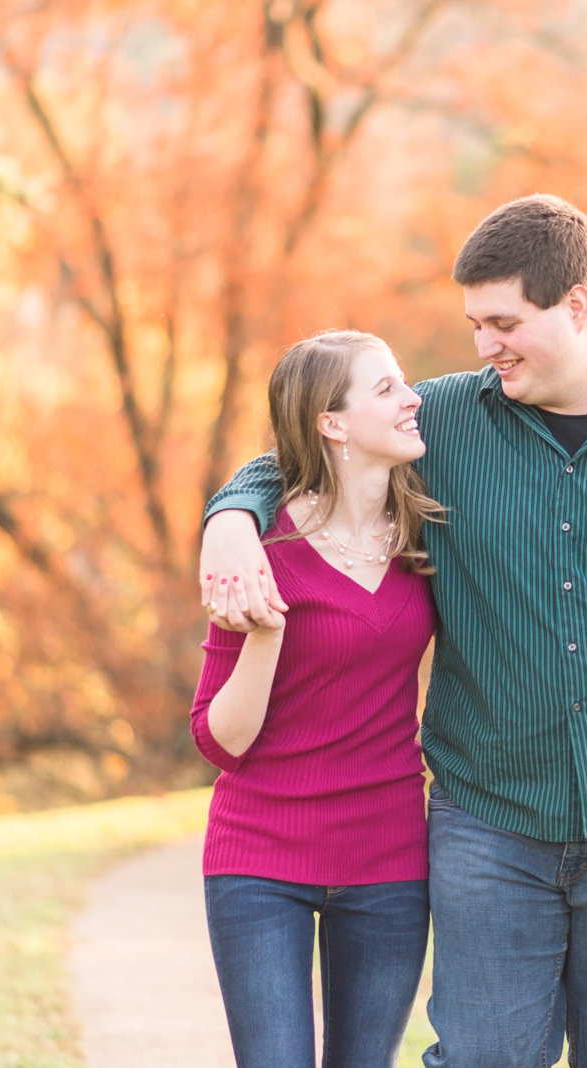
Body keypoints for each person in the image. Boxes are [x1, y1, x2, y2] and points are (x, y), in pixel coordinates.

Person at [200, 195, 587, 1067]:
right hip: (489, 820)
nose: (483, 344)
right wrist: (231, 517)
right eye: (474, 324)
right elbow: (304, 448)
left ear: (575, 306)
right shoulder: (443, 423)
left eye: (502, 322)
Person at [191, 330, 441, 1068]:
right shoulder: (256, 546)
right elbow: (219, 741)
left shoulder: (428, 534)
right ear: (332, 424)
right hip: (259, 858)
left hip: (390, 855)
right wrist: (266, 633)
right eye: (387, 388)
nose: (412, 398)